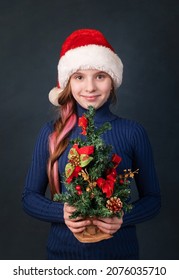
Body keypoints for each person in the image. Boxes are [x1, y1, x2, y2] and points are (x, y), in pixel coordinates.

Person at [22, 29, 161, 260]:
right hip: (62, 259)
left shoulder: (133, 132)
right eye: (79, 77)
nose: (90, 88)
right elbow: (29, 197)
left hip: (120, 260)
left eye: (100, 76)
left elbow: (153, 199)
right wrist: (62, 212)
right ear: (67, 82)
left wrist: (123, 217)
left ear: (113, 80)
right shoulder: (51, 133)